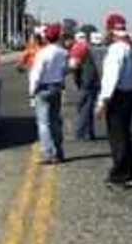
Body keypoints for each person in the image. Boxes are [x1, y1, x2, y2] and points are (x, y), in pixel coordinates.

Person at [96, 13, 132, 188]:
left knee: (117, 137)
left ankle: (120, 175)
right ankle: (130, 172)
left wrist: (102, 101)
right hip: (130, 94)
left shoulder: (116, 49)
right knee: (126, 135)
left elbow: (110, 78)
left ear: (110, 30)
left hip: (117, 96)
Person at [28, 23, 68, 164]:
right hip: (56, 87)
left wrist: (31, 92)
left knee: (44, 123)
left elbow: (36, 74)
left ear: (46, 38)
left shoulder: (42, 53)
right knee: (55, 121)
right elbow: (64, 70)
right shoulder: (63, 53)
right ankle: (58, 152)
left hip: (43, 88)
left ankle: (47, 153)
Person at [68, 31, 101, 140]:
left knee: (82, 108)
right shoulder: (87, 48)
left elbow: (73, 66)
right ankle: (89, 133)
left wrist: (60, 73)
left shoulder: (77, 48)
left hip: (87, 82)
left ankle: (80, 133)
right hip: (93, 81)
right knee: (88, 108)